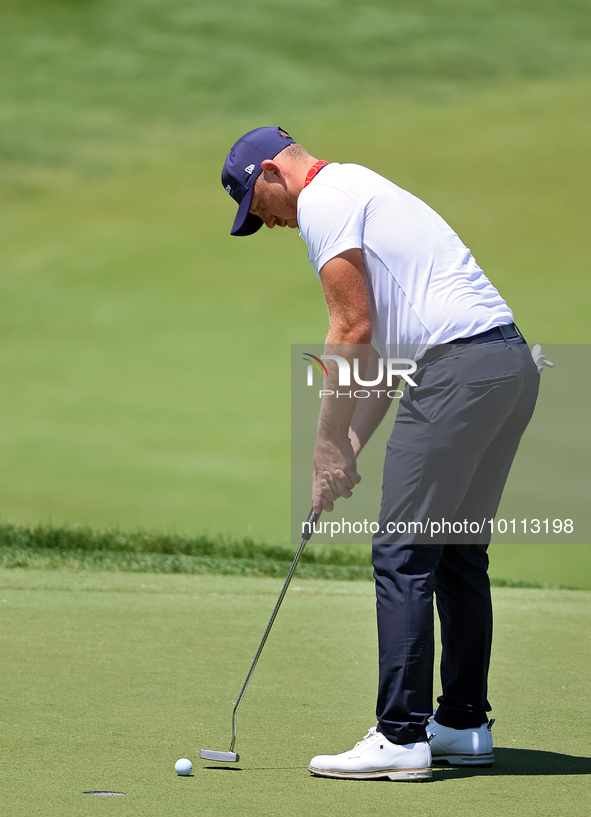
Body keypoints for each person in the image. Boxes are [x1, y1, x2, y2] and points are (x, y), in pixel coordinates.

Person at [221, 126, 540, 781]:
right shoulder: (360, 185)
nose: (269, 222)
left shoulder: (322, 202)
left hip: (456, 370)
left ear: (270, 174)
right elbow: (386, 362)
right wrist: (349, 450)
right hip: (505, 366)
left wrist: (322, 444)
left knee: (400, 551)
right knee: (454, 551)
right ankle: (461, 722)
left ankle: (399, 735)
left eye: (259, 208)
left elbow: (350, 331)